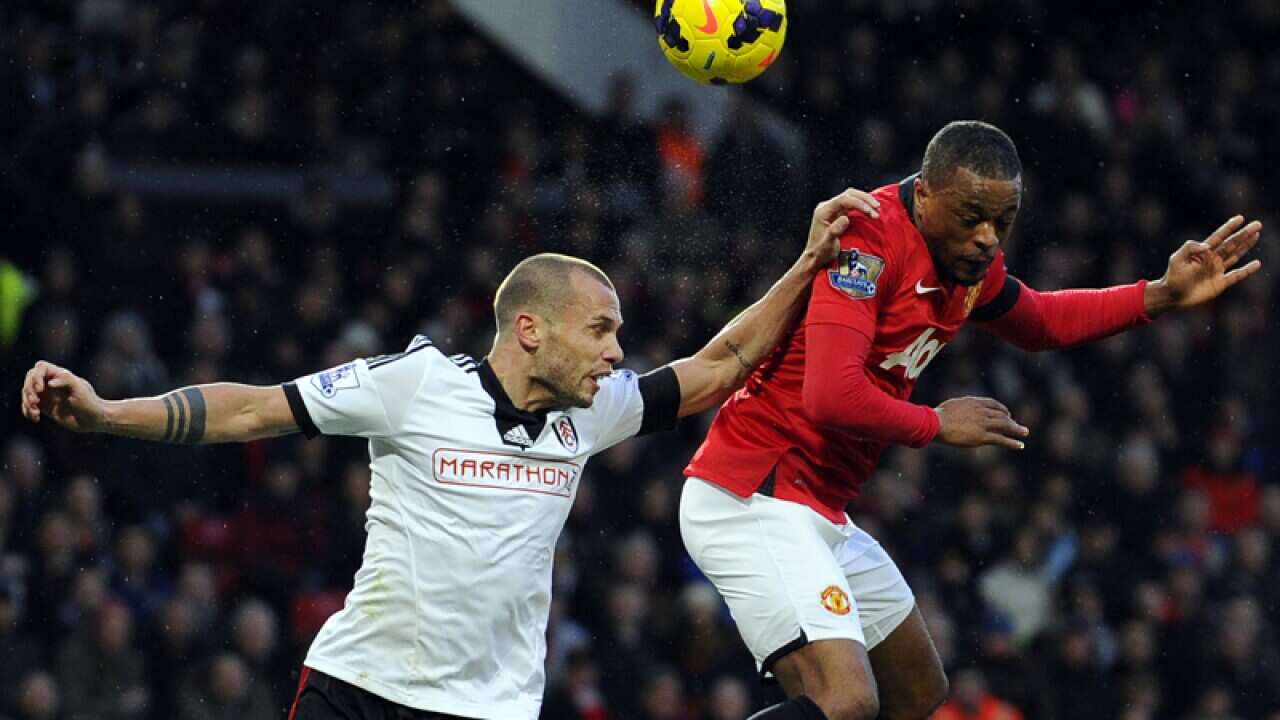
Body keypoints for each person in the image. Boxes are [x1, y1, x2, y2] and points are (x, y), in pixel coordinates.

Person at [18, 188, 881, 720]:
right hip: (358, 691)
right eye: (601, 330)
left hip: (491, 711)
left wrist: (808, 262)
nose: (619, 352)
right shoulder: (416, 383)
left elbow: (720, 364)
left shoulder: (595, 413)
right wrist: (105, 414)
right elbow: (252, 411)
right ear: (531, 329)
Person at [679, 120, 1263, 720]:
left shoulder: (963, 259)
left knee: (915, 689)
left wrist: (1159, 295)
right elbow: (829, 395)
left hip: (816, 505)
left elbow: (1037, 321)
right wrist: (936, 423)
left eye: (1002, 223)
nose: (986, 239)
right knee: (845, 700)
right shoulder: (868, 242)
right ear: (926, 194)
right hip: (752, 491)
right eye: (971, 218)